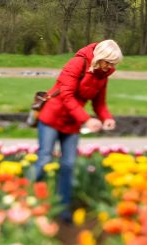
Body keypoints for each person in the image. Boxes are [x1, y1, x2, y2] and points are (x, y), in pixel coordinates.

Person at [35, 40, 122, 220]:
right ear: (100, 57)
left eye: (114, 64)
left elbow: (99, 103)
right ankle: (34, 203)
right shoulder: (78, 62)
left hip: (72, 123)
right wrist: (86, 119)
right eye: (109, 62)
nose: (110, 67)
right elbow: (66, 96)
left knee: (68, 165)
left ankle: (63, 210)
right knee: (44, 159)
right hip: (52, 117)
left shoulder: (103, 74)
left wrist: (107, 118)